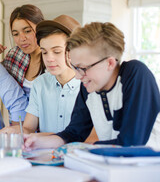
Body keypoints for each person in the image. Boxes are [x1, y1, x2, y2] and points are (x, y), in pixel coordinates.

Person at [24, 22, 160, 150]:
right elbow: (73, 133)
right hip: (115, 166)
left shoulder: (135, 74)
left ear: (110, 63)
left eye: (83, 68)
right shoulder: (89, 85)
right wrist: (37, 141)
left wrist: (85, 148)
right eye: (75, 67)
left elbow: (130, 143)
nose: (78, 76)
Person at [0, 15, 81, 135]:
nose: (49, 59)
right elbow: (28, 129)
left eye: (56, 52)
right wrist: (10, 131)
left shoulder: (88, 86)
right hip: (44, 153)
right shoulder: (40, 83)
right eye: (44, 52)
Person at [0, 4, 45, 98]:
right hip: (18, 113)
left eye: (27, 31)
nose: (22, 39)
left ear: (41, 27)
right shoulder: (15, 55)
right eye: (16, 34)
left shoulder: (53, 57)